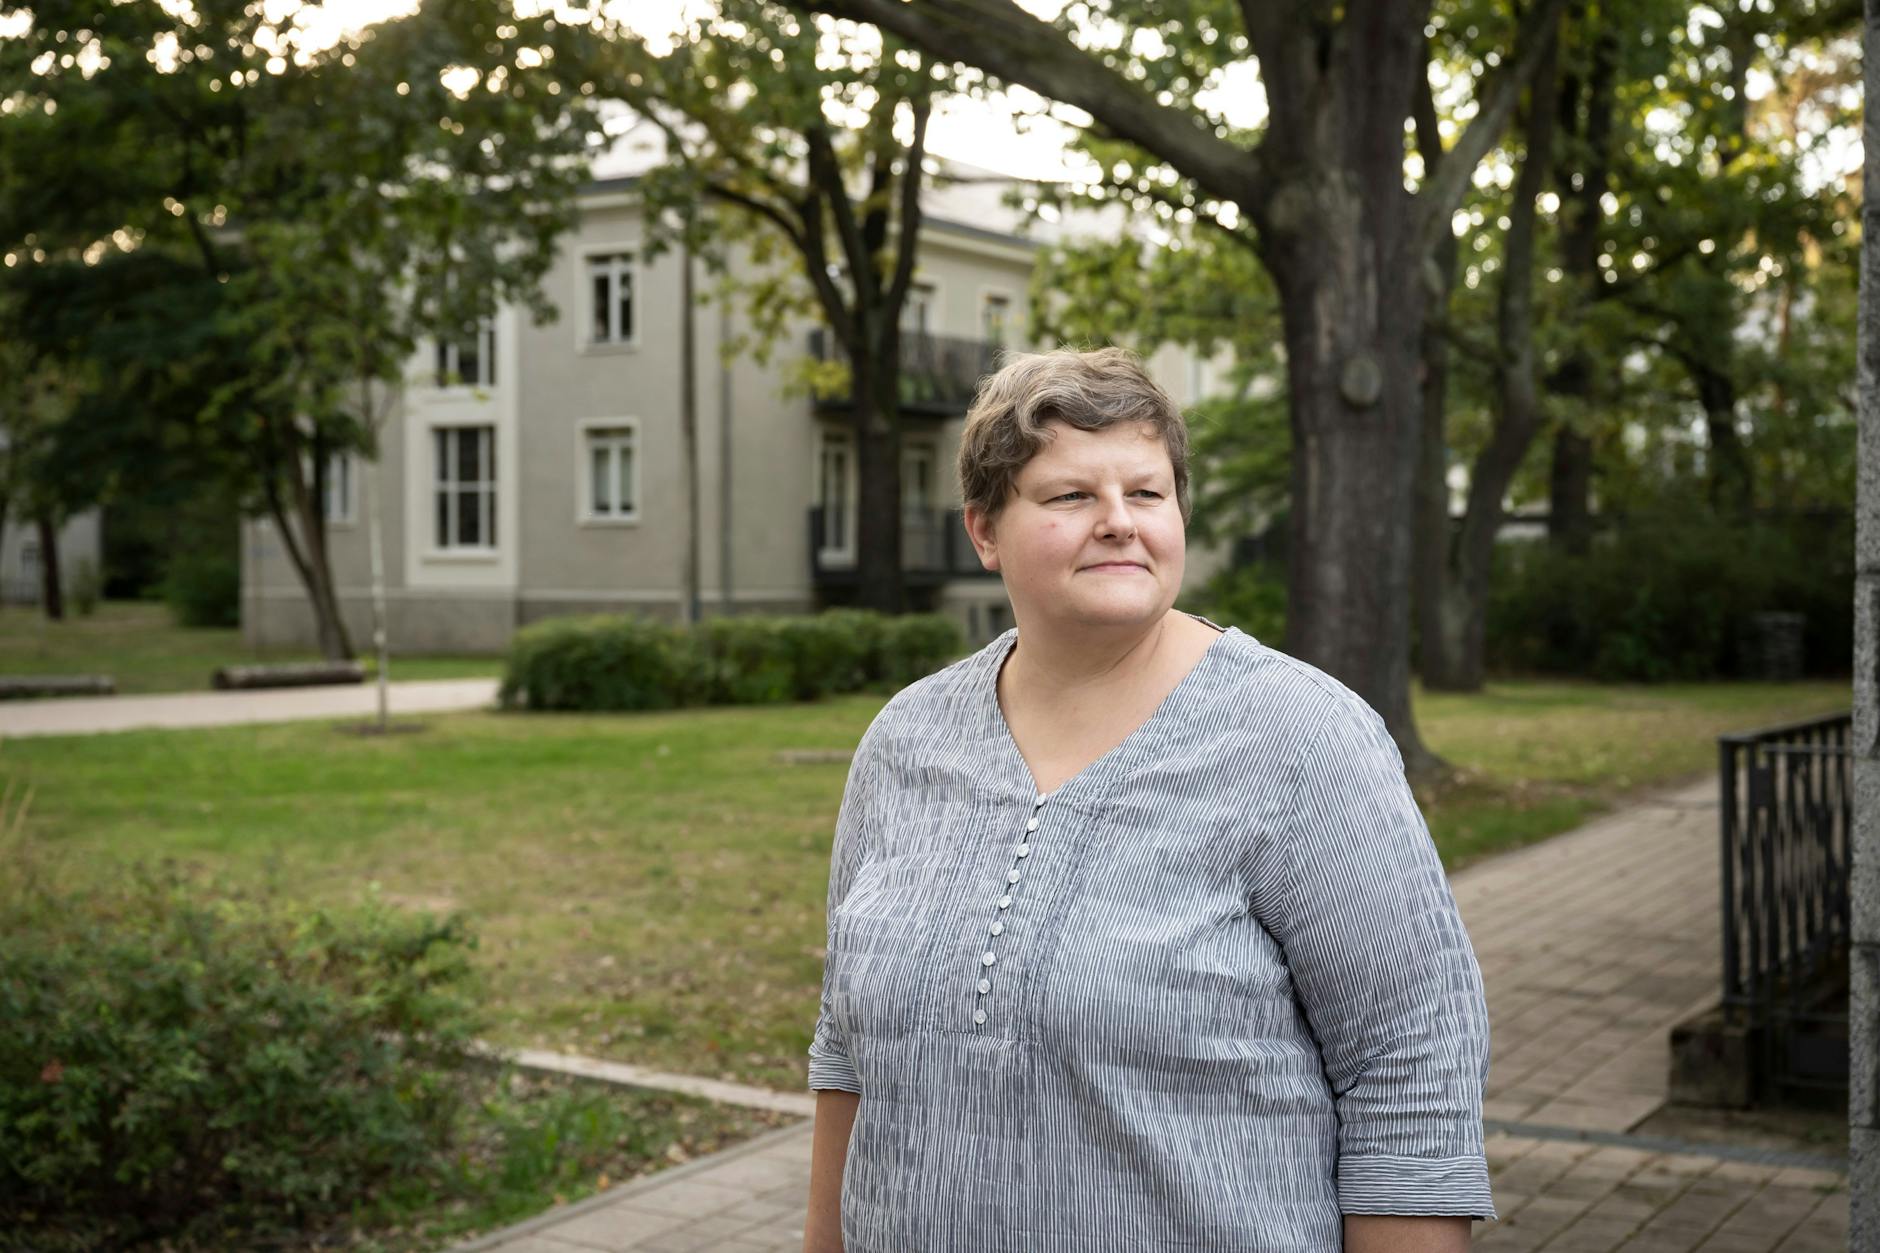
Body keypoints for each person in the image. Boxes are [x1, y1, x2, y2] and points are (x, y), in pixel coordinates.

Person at [803, 347, 1492, 1253]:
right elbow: (846, 1050)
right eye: (1070, 496)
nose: (1118, 523)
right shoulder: (906, 740)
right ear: (984, 529)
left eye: (1147, 492)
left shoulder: (1302, 737)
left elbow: (1408, 1067)